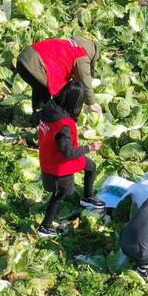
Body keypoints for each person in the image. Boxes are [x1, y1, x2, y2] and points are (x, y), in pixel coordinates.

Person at [35, 82, 100, 238]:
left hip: (51, 154)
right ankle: (45, 227)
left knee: (91, 166)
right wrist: (89, 147)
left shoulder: (50, 108)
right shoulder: (64, 125)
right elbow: (68, 152)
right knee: (60, 194)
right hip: (58, 164)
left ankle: (88, 197)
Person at [14, 36, 100, 123]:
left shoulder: (68, 43)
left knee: (39, 89)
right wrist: (92, 103)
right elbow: (84, 80)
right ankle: (45, 123)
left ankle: (36, 117)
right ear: (93, 56)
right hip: (35, 66)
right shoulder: (81, 55)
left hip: (23, 59)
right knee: (48, 98)